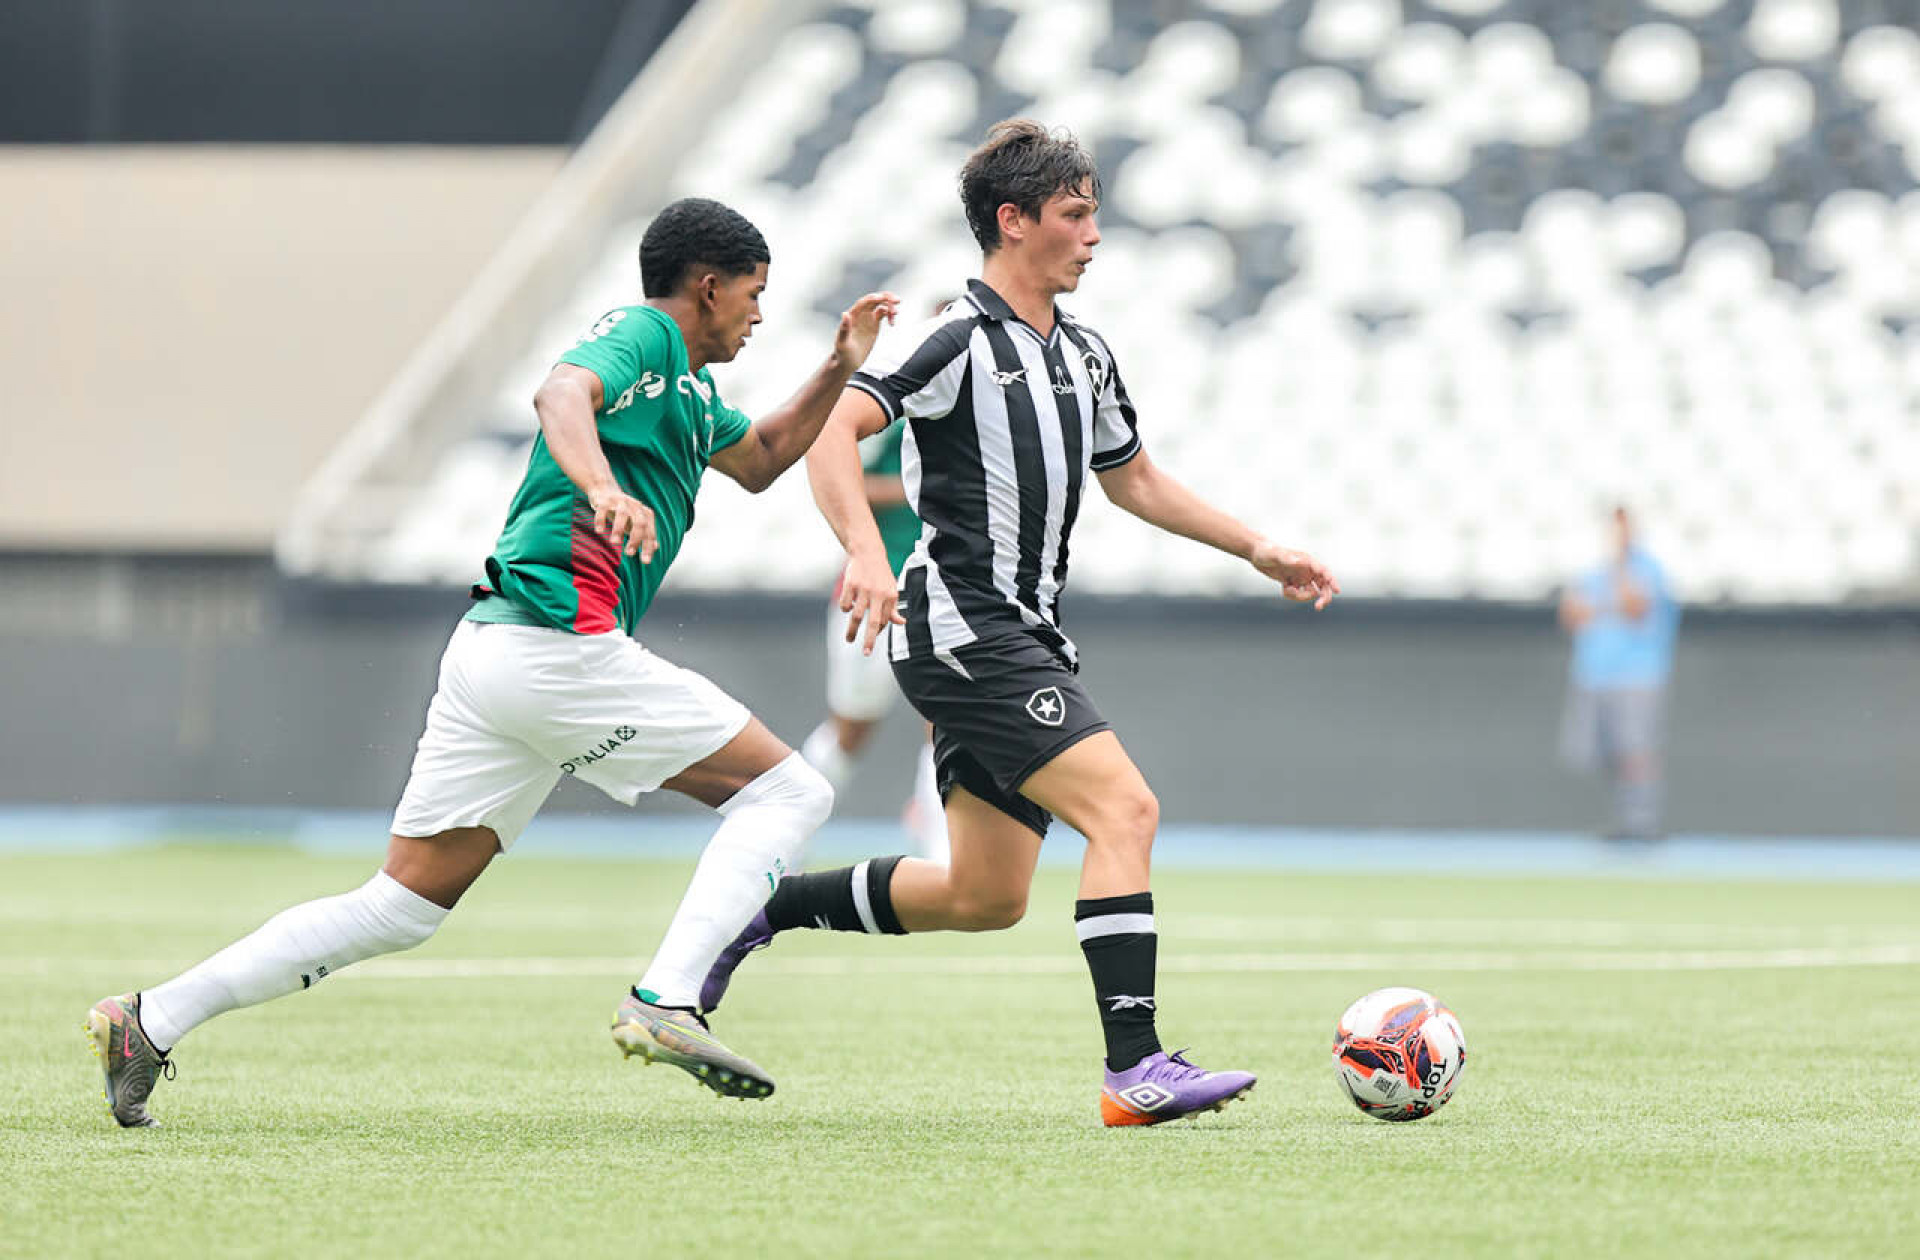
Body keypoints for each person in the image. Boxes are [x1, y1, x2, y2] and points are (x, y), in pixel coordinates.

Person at [84, 197, 899, 1127]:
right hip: (557, 646)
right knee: (792, 793)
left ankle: (148, 1020)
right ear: (706, 288)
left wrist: (839, 367)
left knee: (401, 907)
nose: (758, 315)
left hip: (495, 656)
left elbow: (760, 462)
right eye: (752, 296)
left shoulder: (692, 391)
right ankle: (667, 998)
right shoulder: (639, 336)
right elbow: (559, 392)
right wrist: (600, 487)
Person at [701, 120, 1340, 1127]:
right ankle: (1136, 1069)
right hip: (967, 632)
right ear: (1014, 221)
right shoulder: (955, 336)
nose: (1094, 236)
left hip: (1020, 635)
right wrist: (866, 552)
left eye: (1094, 215)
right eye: (1076, 215)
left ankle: (760, 912)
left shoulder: (1084, 354)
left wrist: (1256, 548)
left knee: (983, 896)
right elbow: (835, 427)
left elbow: (1136, 480)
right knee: (1125, 813)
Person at [798, 366, 949, 863]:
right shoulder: (889, 416)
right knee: (851, 729)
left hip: (945, 592)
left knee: (946, 721)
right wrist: (920, 488)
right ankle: (786, 827)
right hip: (875, 588)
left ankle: (940, 852)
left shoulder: (987, 425)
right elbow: (839, 474)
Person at [1558, 505, 1680, 841]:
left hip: (1637, 675)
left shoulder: (1647, 569)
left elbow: (1634, 608)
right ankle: (1625, 818)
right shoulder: (1589, 571)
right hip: (1595, 673)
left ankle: (1642, 822)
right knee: (1606, 752)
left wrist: (1605, 595)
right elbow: (1571, 614)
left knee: (1636, 749)